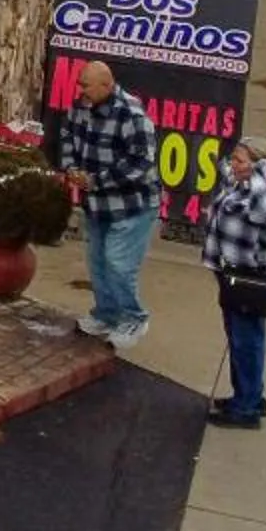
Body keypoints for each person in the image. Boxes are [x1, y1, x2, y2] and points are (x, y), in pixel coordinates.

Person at [59, 60, 161, 348]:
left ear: (107, 84)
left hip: (132, 205)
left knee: (118, 263)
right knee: (98, 262)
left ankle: (134, 319)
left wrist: (97, 181)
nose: (81, 90)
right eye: (80, 84)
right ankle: (106, 314)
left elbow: (141, 162)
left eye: (86, 85)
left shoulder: (132, 113)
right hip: (97, 205)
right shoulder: (80, 106)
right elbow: (67, 136)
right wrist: (70, 169)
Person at [201, 137, 266, 429]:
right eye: (234, 159)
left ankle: (246, 410)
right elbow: (226, 174)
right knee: (239, 337)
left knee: (246, 342)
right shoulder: (242, 183)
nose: (233, 165)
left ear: (259, 166)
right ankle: (248, 394)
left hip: (253, 280)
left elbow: (259, 210)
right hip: (233, 275)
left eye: (240, 161)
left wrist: (261, 173)